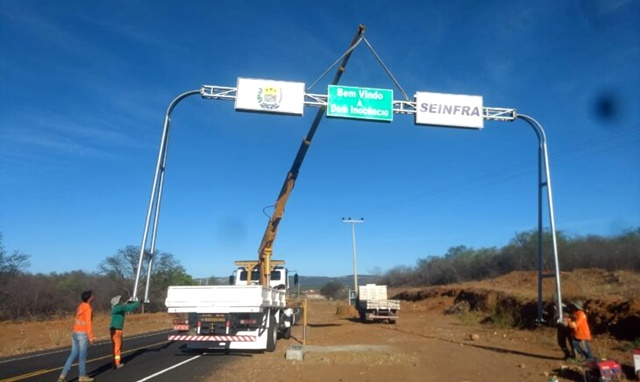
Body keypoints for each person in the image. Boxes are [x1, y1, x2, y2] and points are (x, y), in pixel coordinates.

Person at [58, 290, 95, 382]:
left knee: (73, 354)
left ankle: (62, 376)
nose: (94, 296)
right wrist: (91, 337)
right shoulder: (88, 308)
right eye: (92, 295)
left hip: (75, 333)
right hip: (82, 334)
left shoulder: (80, 306)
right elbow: (88, 323)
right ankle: (82, 376)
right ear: (89, 298)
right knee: (82, 356)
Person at [109, 295, 140, 369]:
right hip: (116, 330)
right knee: (117, 346)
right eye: (119, 300)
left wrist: (128, 302)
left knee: (116, 346)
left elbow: (124, 306)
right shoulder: (118, 307)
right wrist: (138, 302)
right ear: (117, 302)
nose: (121, 301)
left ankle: (115, 361)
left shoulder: (116, 308)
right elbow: (129, 308)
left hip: (115, 330)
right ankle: (117, 363)